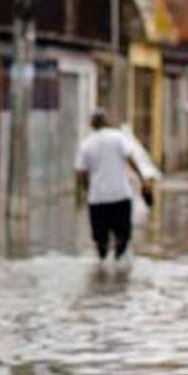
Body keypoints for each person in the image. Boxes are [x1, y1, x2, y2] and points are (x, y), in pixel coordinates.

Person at [75, 109, 153, 262]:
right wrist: (143, 180)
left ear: (92, 124)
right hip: (121, 196)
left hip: (97, 199)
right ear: (106, 122)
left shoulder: (86, 144)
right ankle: (119, 264)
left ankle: (102, 267)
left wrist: (86, 191)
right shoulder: (118, 138)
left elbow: (81, 173)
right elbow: (131, 160)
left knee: (100, 240)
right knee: (123, 237)